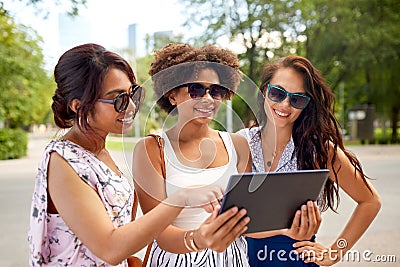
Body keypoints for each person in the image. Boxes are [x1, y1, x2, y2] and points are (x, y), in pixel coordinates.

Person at [27, 43, 241, 266]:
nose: (130, 107)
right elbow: (109, 248)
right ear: (79, 106)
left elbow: (118, 232)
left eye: (133, 94)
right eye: (118, 99)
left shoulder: (98, 152)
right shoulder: (63, 161)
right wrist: (183, 198)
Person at [238, 55, 381, 266]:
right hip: (242, 259)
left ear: (307, 105)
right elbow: (231, 221)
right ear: (264, 92)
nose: (284, 104)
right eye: (277, 93)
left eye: (297, 99)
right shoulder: (241, 143)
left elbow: (370, 201)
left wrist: (334, 253)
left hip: (294, 260)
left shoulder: (318, 150)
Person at [132, 43, 254, 266]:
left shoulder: (238, 145)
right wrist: (200, 239)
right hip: (177, 261)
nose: (208, 99)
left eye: (216, 91)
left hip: (233, 259)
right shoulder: (151, 150)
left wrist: (289, 228)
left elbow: (248, 220)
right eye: (196, 89)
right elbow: (158, 233)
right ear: (171, 94)